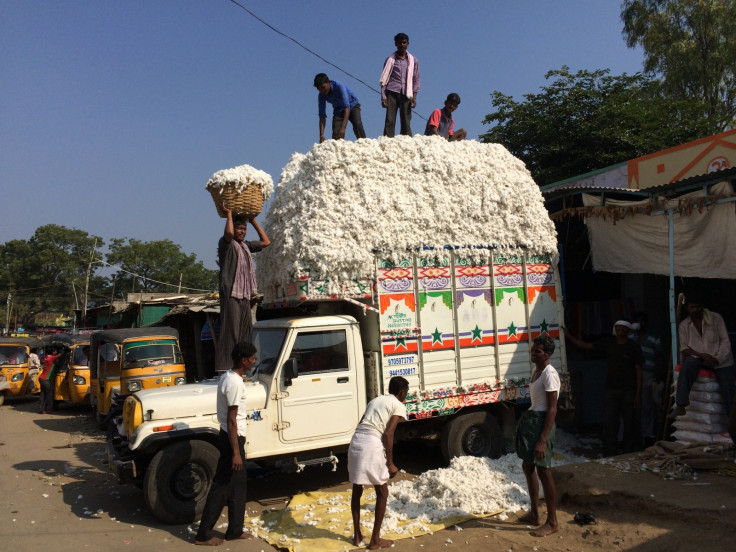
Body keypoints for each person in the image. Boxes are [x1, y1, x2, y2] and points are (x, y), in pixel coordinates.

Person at [195, 341, 257, 546]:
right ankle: (203, 535)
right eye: (252, 358)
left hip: (233, 436)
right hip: (232, 437)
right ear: (243, 360)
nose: (254, 361)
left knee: (238, 486)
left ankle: (235, 530)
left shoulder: (232, 377)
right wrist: (236, 452)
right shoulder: (234, 383)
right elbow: (232, 419)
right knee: (222, 486)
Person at [564, 320, 643, 456]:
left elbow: (639, 372)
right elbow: (585, 345)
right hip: (611, 390)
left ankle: (629, 451)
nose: (620, 330)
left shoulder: (633, 347)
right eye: (618, 327)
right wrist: (568, 335)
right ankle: (609, 452)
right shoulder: (609, 343)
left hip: (628, 391)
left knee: (629, 422)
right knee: (610, 422)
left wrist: (638, 394)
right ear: (615, 328)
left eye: (623, 328)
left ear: (628, 330)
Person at [348, 376, 409, 550]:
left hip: (356, 441)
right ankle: (375, 540)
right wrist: (390, 463)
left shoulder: (375, 400)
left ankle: (357, 535)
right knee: (382, 491)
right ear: (402, 392)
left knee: (357, 488)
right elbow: (389, 434)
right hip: (370, 443)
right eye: (406, 392)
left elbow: (362, 424)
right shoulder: (398, 404)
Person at [216, 203, 270, 372]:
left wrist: (253, 221)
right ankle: (226, 369)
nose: (241, 232)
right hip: (231, 292)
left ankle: (242, 368)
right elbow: (229, 233)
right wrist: (229, 214)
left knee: (245, 331)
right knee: (231, 332)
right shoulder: (227, 244)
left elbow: (266, 242)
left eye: (243, 229)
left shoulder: (246, 246)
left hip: (244, 294)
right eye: (239, 229)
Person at [515, 335, 560, 537]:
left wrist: (543, 439)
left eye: (538, 351)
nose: (533, 353)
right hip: (533, 420)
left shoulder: (550, 374)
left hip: (542, 423)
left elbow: (552, 409)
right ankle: (535, 513)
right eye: (533, 350)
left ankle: (552, 521)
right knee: (528, 465)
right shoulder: (537, 371)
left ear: (548, 354)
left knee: (544, 470)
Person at [673, 295, 734, 418]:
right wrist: (701, 356)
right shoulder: (684, 325)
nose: (696, 310)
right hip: (698, 358)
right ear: (687, 309)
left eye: (698, 307)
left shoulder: (716, 318)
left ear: (702, 306)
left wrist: (717, 359)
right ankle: (680, 405)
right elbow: (684, 348)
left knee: (728, 388)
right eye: (692, 307)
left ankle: (732, 422)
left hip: (720, 360)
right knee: (686, 367)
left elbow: (725, 341)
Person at [630, 312, 664, 445]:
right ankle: (630, 436)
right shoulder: (630, 337)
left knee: (646, 406)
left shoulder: (653, 338)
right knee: (631, 405)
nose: (641, 324)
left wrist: (658, 375)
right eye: (638, 321)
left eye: (643, 321)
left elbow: (660, 357)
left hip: (648, 374)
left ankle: (647, 435)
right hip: (631, 374)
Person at [379, 33, 420, 137]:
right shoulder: (390, 60)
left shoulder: (413, 60)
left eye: (404, 42)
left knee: (406, 120)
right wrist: (383, 96)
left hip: (407, 93)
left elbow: (416, 78)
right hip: (392, 91)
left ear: (408, 44)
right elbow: (384, 79)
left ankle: (406, 142)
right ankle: (388, 142)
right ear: (396, 44)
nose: (402, 45)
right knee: (390, 120)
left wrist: (414, 97)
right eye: (399, 43)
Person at [314, 73, 366, 143]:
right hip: (338, 110)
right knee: (336, 133)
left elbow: (347, 107)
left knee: (357, 123)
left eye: (323, 87)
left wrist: (343, 127)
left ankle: (363, 143)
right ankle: (337, 150)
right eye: (319, 89)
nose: (322, 91)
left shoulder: (339, 86)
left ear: (328, 82)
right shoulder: (321, 95)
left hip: (352, 105)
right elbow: (322, 116)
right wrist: (321, 135)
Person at [38, 347, 60, 414]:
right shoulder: (51, 358)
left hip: (42, 378)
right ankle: (47, 409)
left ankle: (41, 409)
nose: (56, 352)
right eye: (55, 351)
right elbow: (60, 355)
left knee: (43, 395)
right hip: (46, 379)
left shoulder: (46, 357)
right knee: (49, 395)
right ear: (52, 352)